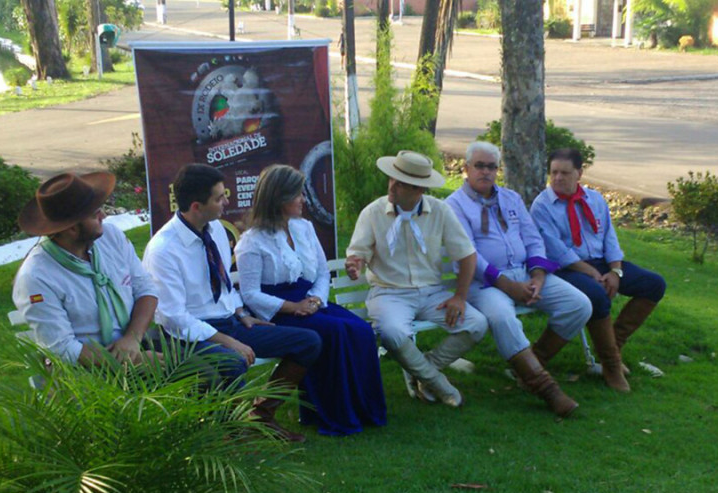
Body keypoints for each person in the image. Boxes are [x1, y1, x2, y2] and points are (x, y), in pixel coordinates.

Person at [142, 163, 321, 442]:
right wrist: (227, 340)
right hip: (188, 335)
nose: (228, 201)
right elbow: (173, 317)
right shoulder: (163, 250)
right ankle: (229, 434)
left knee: (308, 342)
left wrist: (240, 312)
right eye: (219, 197)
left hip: (229, 322)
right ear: (196, 205)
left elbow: (223, 282)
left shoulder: (213, 230)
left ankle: (261, 417)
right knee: (233, 361)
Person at [234, 164, 386, 436]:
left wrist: (315, 300)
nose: (303, 200)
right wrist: (293, 307)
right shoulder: (252, 242)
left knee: (361, 330)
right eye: (297, 194)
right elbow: (250, 294)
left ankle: (364, 409)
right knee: (337, 333)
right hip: (278, 311)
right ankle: (336, 413)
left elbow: (320, 272)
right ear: (279, 198)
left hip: (311, 301)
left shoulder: (304, 228)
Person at [445, 142, 591, 417]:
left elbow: (533, 239)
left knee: (579, 305)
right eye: (479, 166)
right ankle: (548, 390)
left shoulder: (510, 198)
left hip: (524, 275)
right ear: (466, 169)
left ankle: (527, 366)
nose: (486, 172)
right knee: (502, 317)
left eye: (491, 166)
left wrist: (537, 277)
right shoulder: (453, 206)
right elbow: (468, 255)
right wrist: (507, 285)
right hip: (484, 284)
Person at [346, 150, 488, 408]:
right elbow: (358, 253)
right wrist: (355, 263)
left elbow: (467, 255)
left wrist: (459, 296)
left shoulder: (440, 211)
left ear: (419, 189)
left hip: (432, 293)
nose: (392, 186)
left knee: (477, 323)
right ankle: (440, 384)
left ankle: (420, 371)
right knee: (393, 333)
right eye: (392, 178)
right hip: (389, 293)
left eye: (401, 183)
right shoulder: (373, 212)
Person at [530, 148, 667, 392]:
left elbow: (609, 239)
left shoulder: (594, 199)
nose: (558, 178)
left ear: (579, 173)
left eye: (565, 173)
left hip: (602, 263)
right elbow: (557, 251)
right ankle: (611, 365)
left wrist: (615, 272)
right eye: (554, 173)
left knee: (654, 284)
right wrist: (591, 273)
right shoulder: (542, 206)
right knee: (596, 294)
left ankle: (615, 345)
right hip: (565, 268)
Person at [13, 172, 159, 367]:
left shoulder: (111, 237)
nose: (104, 216)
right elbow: (63, 349)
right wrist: (129, 362)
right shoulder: (36, 276)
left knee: (206, 366)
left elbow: (146, 289)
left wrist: (132, 339)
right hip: (90, 370)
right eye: (94, 214)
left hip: (133, 342)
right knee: (200, 378)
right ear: (71, 229)